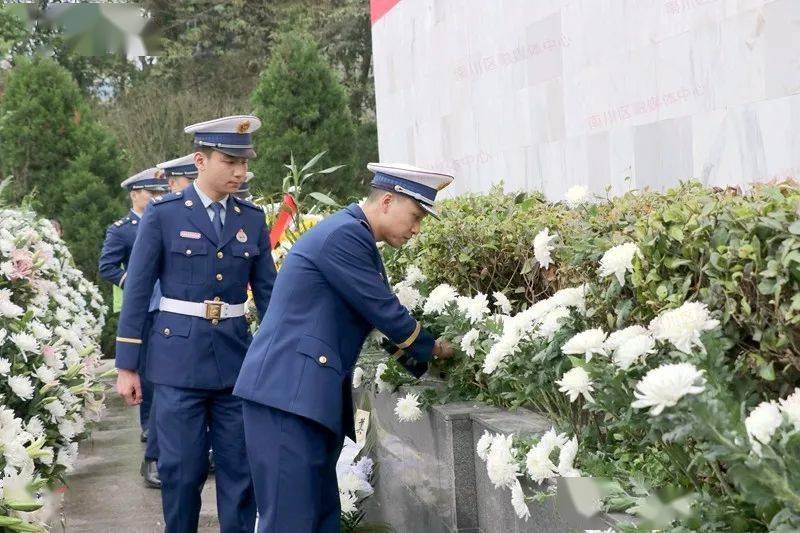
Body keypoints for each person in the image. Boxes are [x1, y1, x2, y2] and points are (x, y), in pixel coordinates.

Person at [234, 162, 456, 532]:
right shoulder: (345, 236)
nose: (416, 229)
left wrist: (418, 360)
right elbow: (384, 311)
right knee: (291, 522)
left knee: (319, 520)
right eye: (415, 216)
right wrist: (434, 350)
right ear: (387, 201)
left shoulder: (353, 235)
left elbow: (371, 321)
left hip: (303, 399)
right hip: (286, 399)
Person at [115, 115, 276, 533]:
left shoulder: (251, 218)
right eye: (230, 161)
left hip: (235, 364)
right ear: (201, 160)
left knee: (240, 474)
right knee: (181, 472)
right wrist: (127, 366)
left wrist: (279, 357)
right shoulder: (164, 215)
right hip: (176, 363)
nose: (240, 172)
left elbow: (270, 295)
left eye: (244, 163)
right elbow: (137, 292)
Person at [135, 154, 202, 489]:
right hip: (162, 314)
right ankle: (155, 458)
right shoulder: (165, 214)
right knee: (164, 391)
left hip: (188, 318)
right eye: (183, 180)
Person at [98, 166, 169, 462]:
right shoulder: (122, 229)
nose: (157, 197)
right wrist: (133, 281)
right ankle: (148, 422)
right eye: (152, 192)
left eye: (160, 192)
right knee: (145, 367)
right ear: (135, 194)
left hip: (169, 303)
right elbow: (107, 266)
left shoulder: (168, 219)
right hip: (144, 306)